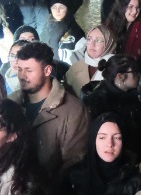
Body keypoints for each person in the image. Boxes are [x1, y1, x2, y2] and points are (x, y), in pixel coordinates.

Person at [10, 41, 90, 173]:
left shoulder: (74, 111)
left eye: (29, 70)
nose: (22, 76)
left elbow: (73, 165)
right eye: (19, 69)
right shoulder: (11, 103)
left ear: (47, 70)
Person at [64, 25, 116, 94]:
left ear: (109, 44)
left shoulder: (118, 69)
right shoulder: (75, 68)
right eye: (89, 39)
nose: (92, 44)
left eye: (99, 40)